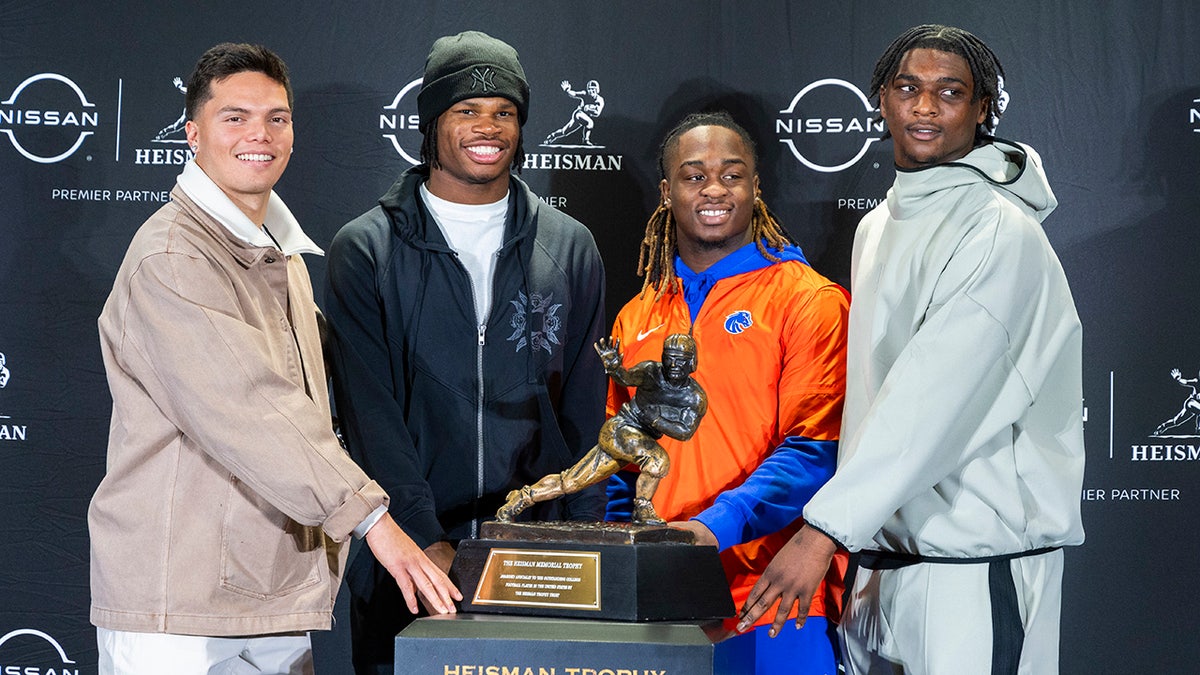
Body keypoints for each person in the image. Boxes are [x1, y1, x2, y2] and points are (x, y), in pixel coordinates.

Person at [88, 43, 459, 675]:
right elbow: (253, 410)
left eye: (277, 118)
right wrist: (374, 520)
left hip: (268, 600)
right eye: (235, 117)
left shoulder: (281, 256)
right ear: (193, 133)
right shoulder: (173, 257)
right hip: (182, 617)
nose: (259, 134)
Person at [738, 24, 1086, 674]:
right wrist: (847, 535)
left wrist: (823, 531)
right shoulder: (877, 225)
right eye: (908, 88)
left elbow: (934, 399)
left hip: (973, 570)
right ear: (882, 101)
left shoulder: (999, 232)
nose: (924, 107)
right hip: (881, 562)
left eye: (949, 92)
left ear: (983, 110)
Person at [323, 30, 608, 674]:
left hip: (540, 561)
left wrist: (588, 539)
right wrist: (427, 539)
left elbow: (586, 409)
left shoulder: (570, 246)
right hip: (407, 559)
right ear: (431, 124)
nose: (489, 126)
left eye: (504, 111)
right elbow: (371, 419)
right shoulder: (365, 247)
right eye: (468, 109)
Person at [605, 111, 850, 675]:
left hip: (774, 598)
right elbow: (623, 456)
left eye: (731, 174)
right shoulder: (637, 314)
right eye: (694, 176)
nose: (714, 189)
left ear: (755, 186)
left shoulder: (807, 300)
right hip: (661, 601)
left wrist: (713, 530)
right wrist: (628, 560)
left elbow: (817, 448)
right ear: (667, 192)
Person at [496, 333, 707, 525]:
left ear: (691, 362)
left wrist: (654, 418)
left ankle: (521, 498)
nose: (674, 364)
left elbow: (685, 431)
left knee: (570, 482)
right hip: (620, 430)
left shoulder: (694, 397)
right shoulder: (651, 371)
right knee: (657, 461)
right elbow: (626, 378)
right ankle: (642, 509)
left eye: (680, 359)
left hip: (635, 440)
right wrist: (615, 367)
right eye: (669, 357)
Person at [543, 79, 604, 146]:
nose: (591, 91)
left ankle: (552, 136)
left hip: (584, 117)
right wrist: (568, 90)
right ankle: (586, 140)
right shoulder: (585, 94)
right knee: (590, 123)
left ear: (597, 90)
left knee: (565, 131)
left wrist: (589, 109)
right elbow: (574, 94)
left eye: (593, 89)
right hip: (579, 114)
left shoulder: (600, 100)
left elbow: (597, 113)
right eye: (589, 89)